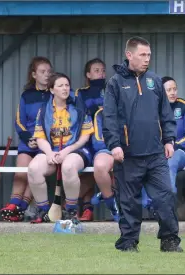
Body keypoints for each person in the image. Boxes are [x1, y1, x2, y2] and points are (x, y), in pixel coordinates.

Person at [102, 36, 182, 252]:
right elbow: (108, 117)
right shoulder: (115, 83)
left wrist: (169, 140)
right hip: (127, 154)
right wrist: (114, 145)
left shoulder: (155, 81)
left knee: (165, 196)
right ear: (129, 55)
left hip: (156, 154)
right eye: (142, 55)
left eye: (149, 55)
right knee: (129, 202)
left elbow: (166, 114)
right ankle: (128, 243)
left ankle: (170, 240)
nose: (147, 59)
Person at [27, 72, 94, 223]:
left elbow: (85, 136)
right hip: (51, 149)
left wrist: (66, 151)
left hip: (75, 149)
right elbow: (40, 137)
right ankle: (43, 211)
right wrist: (50, 153)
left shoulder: (78, 107)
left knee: (68, 167)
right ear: (52, 90)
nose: (65, 89)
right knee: (34, 168)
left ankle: (70, 211)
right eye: (60, 86)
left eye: (67, 85)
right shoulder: (44, 110)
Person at [1, 56, 52, 222]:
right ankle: (14, 204)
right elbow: (19, 121)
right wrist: (28, 138)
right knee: (21, 169)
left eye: (49, 72)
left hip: (47, 144)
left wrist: (43, 140)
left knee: (34, 170)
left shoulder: (55, 94)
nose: (47, 75)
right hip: (29, 140)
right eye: (42, 72)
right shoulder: (26, 96)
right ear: (34, 75)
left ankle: (20, 207)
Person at [141, 76, 185, 212]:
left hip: (182, 151)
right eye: (169, 90)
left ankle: (168, 200)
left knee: (170, 160)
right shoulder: (152, 108)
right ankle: (149, 203)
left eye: (175, 89)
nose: (173, 92)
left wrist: (172, 145)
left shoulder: (184, 106)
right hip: (158, 151)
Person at [75, 58, 108, 222]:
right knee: (86, 174)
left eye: (103, 70)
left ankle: (116, 205)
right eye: (96, 70)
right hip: (88, 139)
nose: (101, 73)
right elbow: (79, 114)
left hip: (106, 141)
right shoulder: (81, 92)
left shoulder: (112, 89)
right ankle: (86, 208)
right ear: (88, 74)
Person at [89, 106, 120, 222]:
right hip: (107, 149)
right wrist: (115, 147)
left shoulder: (134, 109)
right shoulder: (101, 113)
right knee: (100, 166)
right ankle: (111, 204)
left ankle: (106, 192)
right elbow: (97, 142)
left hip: (129, 150)